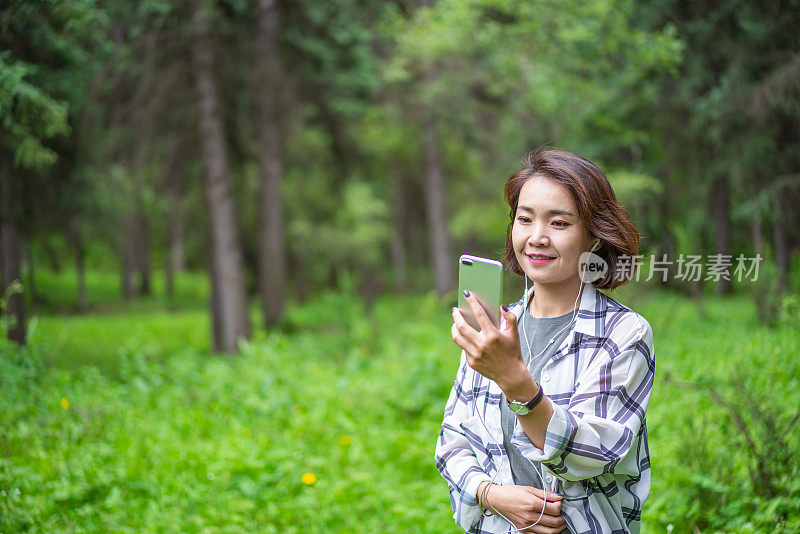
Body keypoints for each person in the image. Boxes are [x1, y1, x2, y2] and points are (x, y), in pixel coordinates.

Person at [435, 147, 655, 534]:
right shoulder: (496, 328)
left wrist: (516, 382)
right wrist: (491, 494)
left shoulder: (624, 334)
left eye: (558, 223)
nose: (536, 238)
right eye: (524, 219)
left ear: (594, 237)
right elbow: (452, 440)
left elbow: (594, 453)